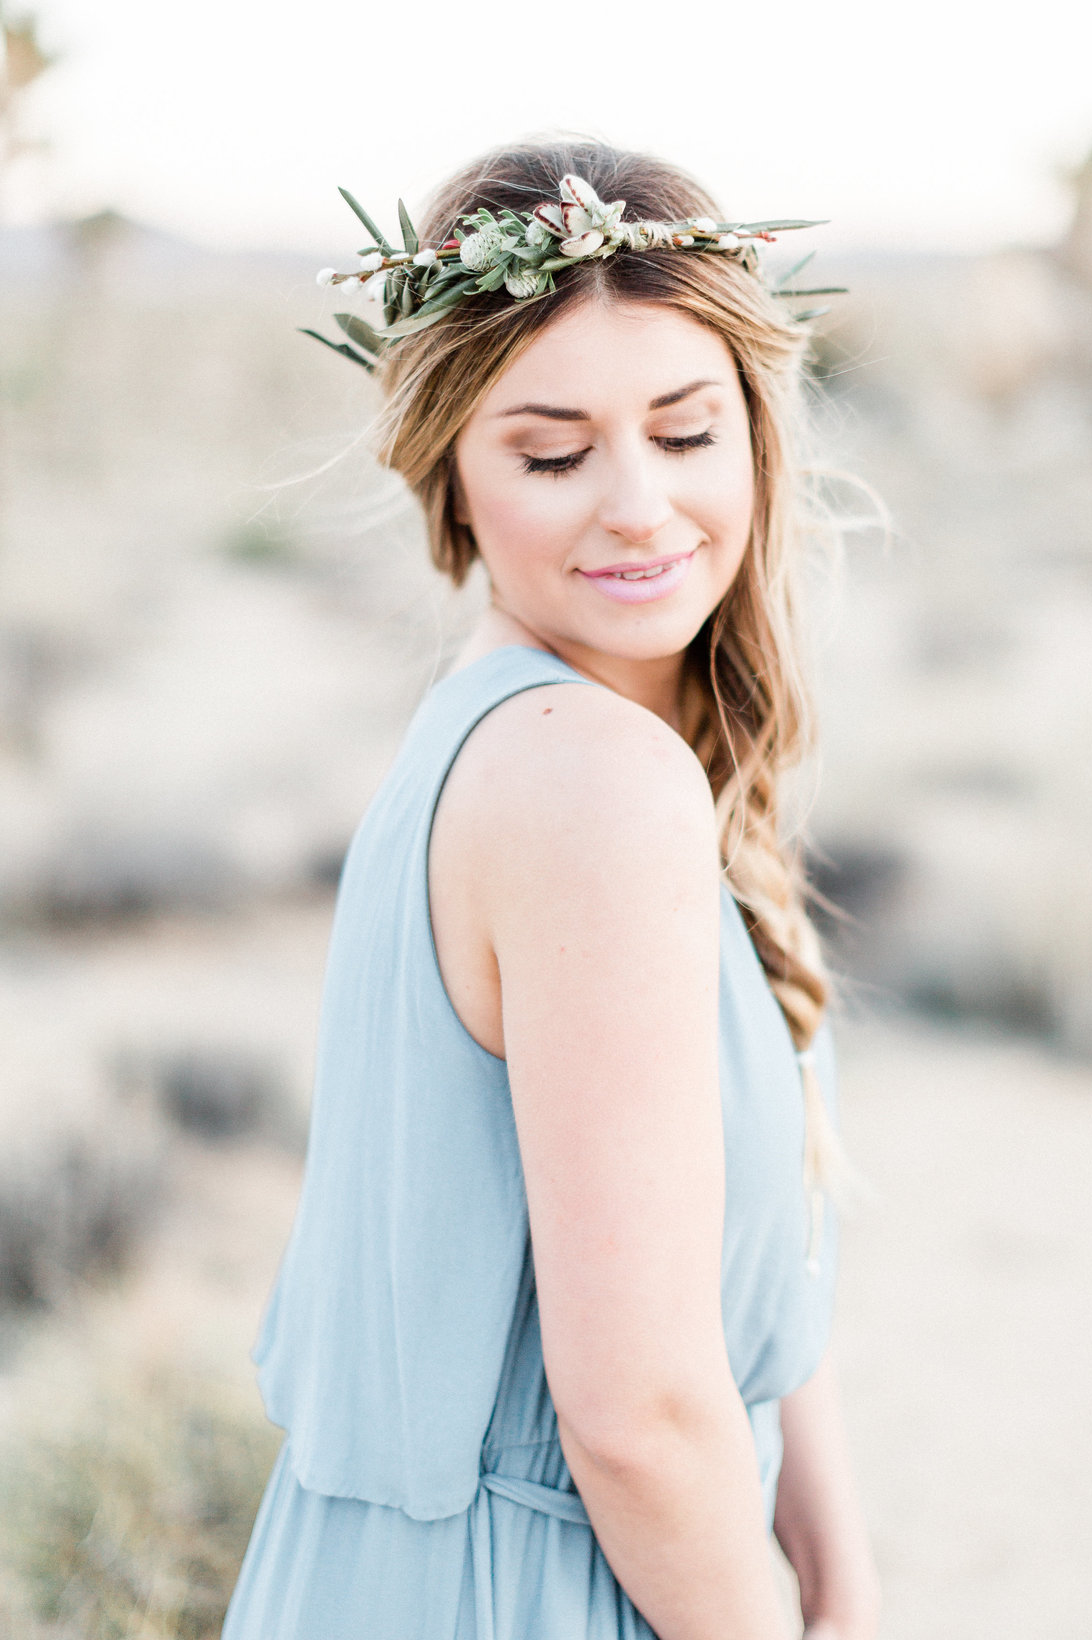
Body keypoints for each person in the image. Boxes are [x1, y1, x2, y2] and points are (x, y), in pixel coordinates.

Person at [220, 138, 880, 1640]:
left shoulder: (533, 732)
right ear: (449, 474)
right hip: (528, 1589)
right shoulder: (590, 781)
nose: (639, 506)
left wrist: (836, 1552)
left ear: (758, 435)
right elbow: (637, 1417)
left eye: (685, 429)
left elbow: (738, 1251)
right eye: (554, 452)